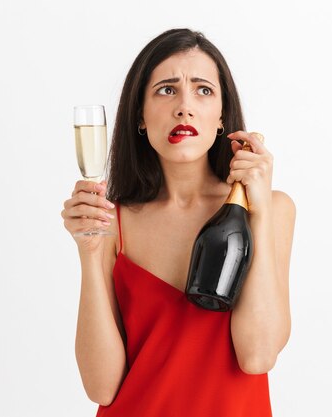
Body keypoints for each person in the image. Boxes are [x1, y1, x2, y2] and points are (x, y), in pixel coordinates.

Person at [61, 28, 296, 417]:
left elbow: (257, 355)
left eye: (203, 90)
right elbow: (101, 386)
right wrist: (90, 251)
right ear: (139, 114)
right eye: (166, 90)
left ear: (222, 116)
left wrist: (260, 212)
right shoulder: (111, 221)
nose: (184, 106)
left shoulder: (271, 209)